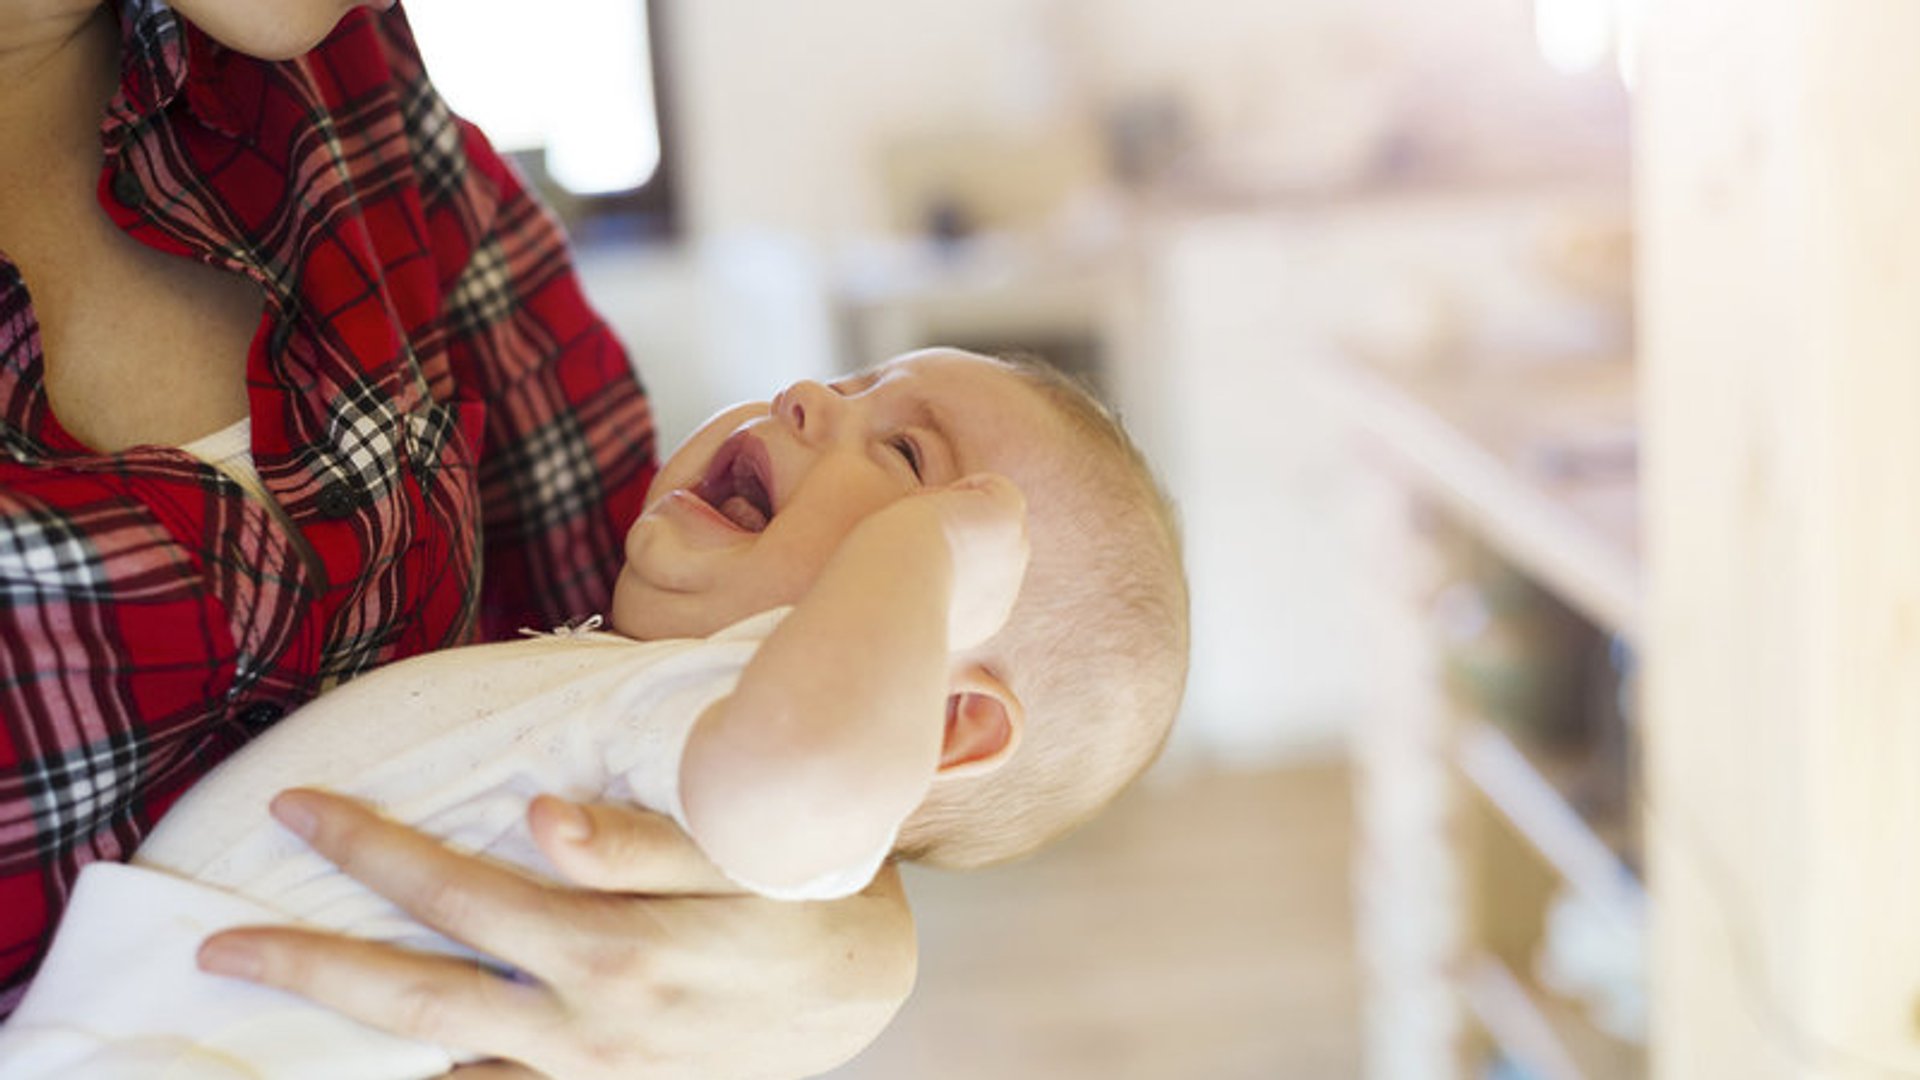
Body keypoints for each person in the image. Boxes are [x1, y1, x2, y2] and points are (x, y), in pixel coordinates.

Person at [0, 1, 917, 1074]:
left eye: (908, 452)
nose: (808, 397)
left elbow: (659, 620)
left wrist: (856, 940)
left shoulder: (338, 74)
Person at [0, 347, 1192, 1077]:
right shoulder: (630, 688)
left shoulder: (726, 708)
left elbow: (798, 792)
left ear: (942, 728)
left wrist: (926, 557)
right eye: (847, 379)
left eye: (913, 459)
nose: (805, 398)